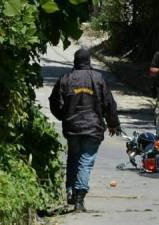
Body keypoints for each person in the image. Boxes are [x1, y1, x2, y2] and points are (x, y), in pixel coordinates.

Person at [49, 48, 120, 212]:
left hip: (72, 128)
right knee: (85, 162)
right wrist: (113, 123)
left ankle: (70, 192)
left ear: (75, 61)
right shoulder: (98, 78)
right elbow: (109, 103)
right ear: (89, 61)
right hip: (93, 127)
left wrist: (64, 117)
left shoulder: (65, 79)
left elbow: (54, 102)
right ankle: (79, 198)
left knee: (73, 158)